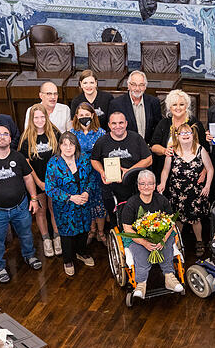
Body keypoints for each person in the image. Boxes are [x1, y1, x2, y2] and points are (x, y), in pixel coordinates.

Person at [0, 124, 42, 283]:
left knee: (26, 234)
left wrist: (33, 198)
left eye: (5, 134)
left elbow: (28, 178)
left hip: (20, 207)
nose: (2, 136)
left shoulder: (17, 157)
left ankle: (29, 256)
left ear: (10, 138)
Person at [121, 170, 184, 299]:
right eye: (142, 184)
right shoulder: (131, 203)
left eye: (150, 183)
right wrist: (144, 242)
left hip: (161, 236)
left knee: (166, 247)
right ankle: (141, 284)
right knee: (141, 253)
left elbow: (171, 222)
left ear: (155, 185)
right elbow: (127, 228)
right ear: (138, 186)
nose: (146, 187)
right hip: (138, 238)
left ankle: (169, 277)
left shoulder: (161, 200)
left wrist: (162, 240)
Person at [157, 122, 214, 256]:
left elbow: (210, 169)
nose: (185, 135)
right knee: (178, 219)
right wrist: (162, 183)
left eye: (188, 132)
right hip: (177, 192)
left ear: (193, 135)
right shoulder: (172, 151)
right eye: (182, 133)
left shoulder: (200, 150)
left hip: (196, 192)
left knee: (196, 219)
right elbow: (165, 171)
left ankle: (199, 242)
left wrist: (207, 186)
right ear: (177, 136)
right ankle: (177, 242)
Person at [45, 132, 96, 276]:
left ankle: (82, 253)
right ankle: (68, 260)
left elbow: (92, 177)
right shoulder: (53, 163)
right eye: (64, 144)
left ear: (76, 146)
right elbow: (50, 188)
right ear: (59, 146)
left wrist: (86, 192)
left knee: (85, 229)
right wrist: (71, 198)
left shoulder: (84, 158)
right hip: (65, 207)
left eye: (71, 144)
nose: (68, 147)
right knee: (67, 234)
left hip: (84, 203)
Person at [19, 104, 61, 257]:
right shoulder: (26, 138)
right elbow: (27, 164)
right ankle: (46, 240)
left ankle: (57, 237)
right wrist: (38, 182)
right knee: (41, 211)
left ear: (46, 117)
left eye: (42, 117)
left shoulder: (55, 133)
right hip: (37, 181)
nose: (39, 120)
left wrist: (53, 181)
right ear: (31, 119)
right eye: (36, 117)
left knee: (54, 209)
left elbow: (61, 158)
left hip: (54, 180)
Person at [91, 112, 153, 210]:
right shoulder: (102, 141)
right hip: (111, 189)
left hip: (134, 188)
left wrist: (129, 172)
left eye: (121, 123)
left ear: (126, 123)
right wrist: (102, 171)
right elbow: (94, 160)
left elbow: (149, 160)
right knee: (114, 220)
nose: (118, 126)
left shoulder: (136, 138)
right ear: (109, 125)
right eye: (114, 123)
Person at [70, 104, 108, 245]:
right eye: (81, 115)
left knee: (99, 203)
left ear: (92, 115)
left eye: (86, 114)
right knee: (87, 203)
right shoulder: (73, 133)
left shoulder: (101, 133)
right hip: (81, 175)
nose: (84, 117)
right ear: (76, 117)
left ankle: (101, 232)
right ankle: (91, 231)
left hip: (98, 173)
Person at [150, 90, 207, 177]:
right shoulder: (163, 123)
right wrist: (164, 151)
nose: (178, 108)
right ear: (170, 107)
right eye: (174, 105)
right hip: (165, 174)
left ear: (186, 106)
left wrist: (205, 170)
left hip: (192, 175)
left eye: (181, 104)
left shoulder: (195, 124)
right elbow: (153, 146)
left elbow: (205, 149)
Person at [108, 70, 162, 144]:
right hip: (125, 147)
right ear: (128, 86)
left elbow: (157, 127)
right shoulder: (116, 104)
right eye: (134, 85)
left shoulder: (154, 102)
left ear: (145, 86)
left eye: (141, 85)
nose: (137, 88)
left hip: (148, 147)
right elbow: (112, 129)